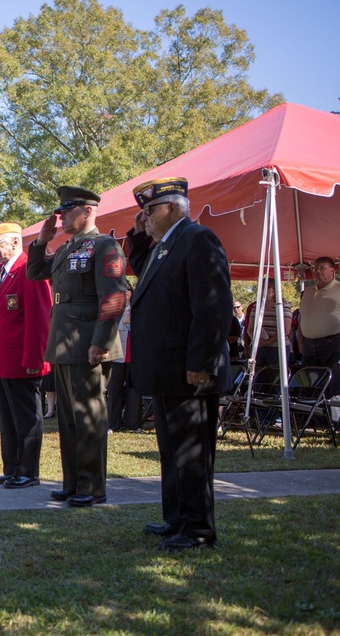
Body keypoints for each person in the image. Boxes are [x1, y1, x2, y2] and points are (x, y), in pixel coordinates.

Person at [126, 177, 232, 551]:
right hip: (168, 368)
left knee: (192, 453)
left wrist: (201, 361)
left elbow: (212, 306)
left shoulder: (198, 238)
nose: (145, 217)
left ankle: (199, 529)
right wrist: (138, 236)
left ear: (172, 207)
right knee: (172, 451)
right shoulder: (164, 246)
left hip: (190, 369)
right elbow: (145, 276)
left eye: (150, 211)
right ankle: (177, 520)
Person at [27, 186, 127, 507]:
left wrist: (101, 341)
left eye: (67, 212)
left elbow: (114, 296)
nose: (62, 217)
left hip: (88, 343)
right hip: (64, 340)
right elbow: (34, 272)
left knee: (89, 416)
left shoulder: (104, 246)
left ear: (88, 211)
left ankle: (93, 487)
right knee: (69, 419)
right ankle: (73, 483)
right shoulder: (67, 248)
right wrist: (42, 240)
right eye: (60, 212)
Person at [0, 221, 53, 489]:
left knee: (27, 417)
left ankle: (28, 471)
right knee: (7, 417)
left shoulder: (30, 270)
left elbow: (40, 318)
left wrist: (34, 359)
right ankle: (12, 468)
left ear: (15, 242)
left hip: (21, 359)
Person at [298, 257, 340, 367]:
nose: (317, 271)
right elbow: (302, 317)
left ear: (332, 271)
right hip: (308, 346)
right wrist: (300, 341)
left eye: (322, 268)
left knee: (332, 380)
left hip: (332, 345)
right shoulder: (308, 291)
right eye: (315, 268)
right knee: (310, 381)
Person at [107, 283, 142, 432]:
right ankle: (112, 424)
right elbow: (108, 328)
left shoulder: (138, 308)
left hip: (133, 355)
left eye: (129, 289)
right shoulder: (114, 309)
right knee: (114, 390)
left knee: (134, 391)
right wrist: (123, 322)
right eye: (123, 289)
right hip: (117, 355)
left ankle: (133, 424)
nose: (126, 292)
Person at [243, 278, 292, 369]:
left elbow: (286, 330)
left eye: (268, 287)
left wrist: (267, 342)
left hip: (277, 348)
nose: (264, 290)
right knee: (257, 376)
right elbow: (250, 329)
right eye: (262, 287)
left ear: (274, 289)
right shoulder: (255, 307)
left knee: (275, 376)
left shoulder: (283, 307)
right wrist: (259, 341)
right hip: (258, 348)